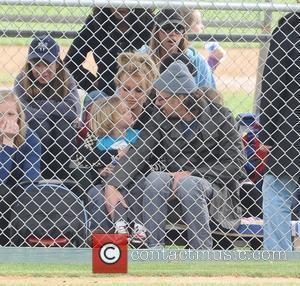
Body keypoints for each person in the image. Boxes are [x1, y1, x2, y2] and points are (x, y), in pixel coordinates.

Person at [104, 60, 246, 249]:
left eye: (161, 99)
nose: (156, 103)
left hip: (215, 187)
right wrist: (113, 184)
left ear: (178, 99)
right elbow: (139, 152)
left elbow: (237, 163)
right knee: (155, 178)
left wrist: (193, 173)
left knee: (189, 183)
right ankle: (154, 248)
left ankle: (201, 251)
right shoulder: (161, 117)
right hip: (173, 186)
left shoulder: (220, 116)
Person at [76, 52, 159, 245]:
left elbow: (157, 161)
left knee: (142, 190)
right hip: (103, 180)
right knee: (96, 195)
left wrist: (125, 174)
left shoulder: (153, 120)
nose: (130, 96)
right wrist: (102, 171)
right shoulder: (105, 113)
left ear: (148, 93)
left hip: (139, 182)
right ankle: (108, 256)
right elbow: (81, 159)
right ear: (117, 86)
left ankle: (145, 254)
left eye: (139, 91)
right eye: (125, 88)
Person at [258, 12, 300, 251]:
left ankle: (278, 257)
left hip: (292, 128)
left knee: (277, 191)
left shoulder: (289, 31)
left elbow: (273, 85)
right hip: (292, 128)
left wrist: (269, 134)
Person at [14, 34, 80, 179]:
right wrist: (55, 109)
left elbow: (73, 111)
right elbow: (20, 112)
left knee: (65, 128)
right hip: (37, 128)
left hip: (60, 131)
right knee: (40, 126)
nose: (42, 70)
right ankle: (36, 175)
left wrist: (39, 105)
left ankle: (61, 178)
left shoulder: (66, 76)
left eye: (47, 64)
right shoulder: (22, 79)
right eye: (37, 64)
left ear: (57, 62)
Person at [64, 7, 154, 97]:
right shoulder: (95, 23)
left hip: (141, 93)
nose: (120, 4)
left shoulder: (149, 23)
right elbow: (70, 62)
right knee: (94, 96)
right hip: (107, 94)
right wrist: (93, 84)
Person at [0, 90, 41, 245]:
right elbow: (0, 179)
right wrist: (8, 143)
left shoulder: (30, 138)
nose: (4, 120)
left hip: (19, 194)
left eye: (10, 114)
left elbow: (31, 178)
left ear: (19, 116)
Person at [139, 9, 216, 88]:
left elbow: (209, 94)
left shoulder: (196, 60)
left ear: (183, 33)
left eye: (178, 29)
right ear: (157, 31)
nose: (172, 34)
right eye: (167, 28)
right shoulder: (142, 57)